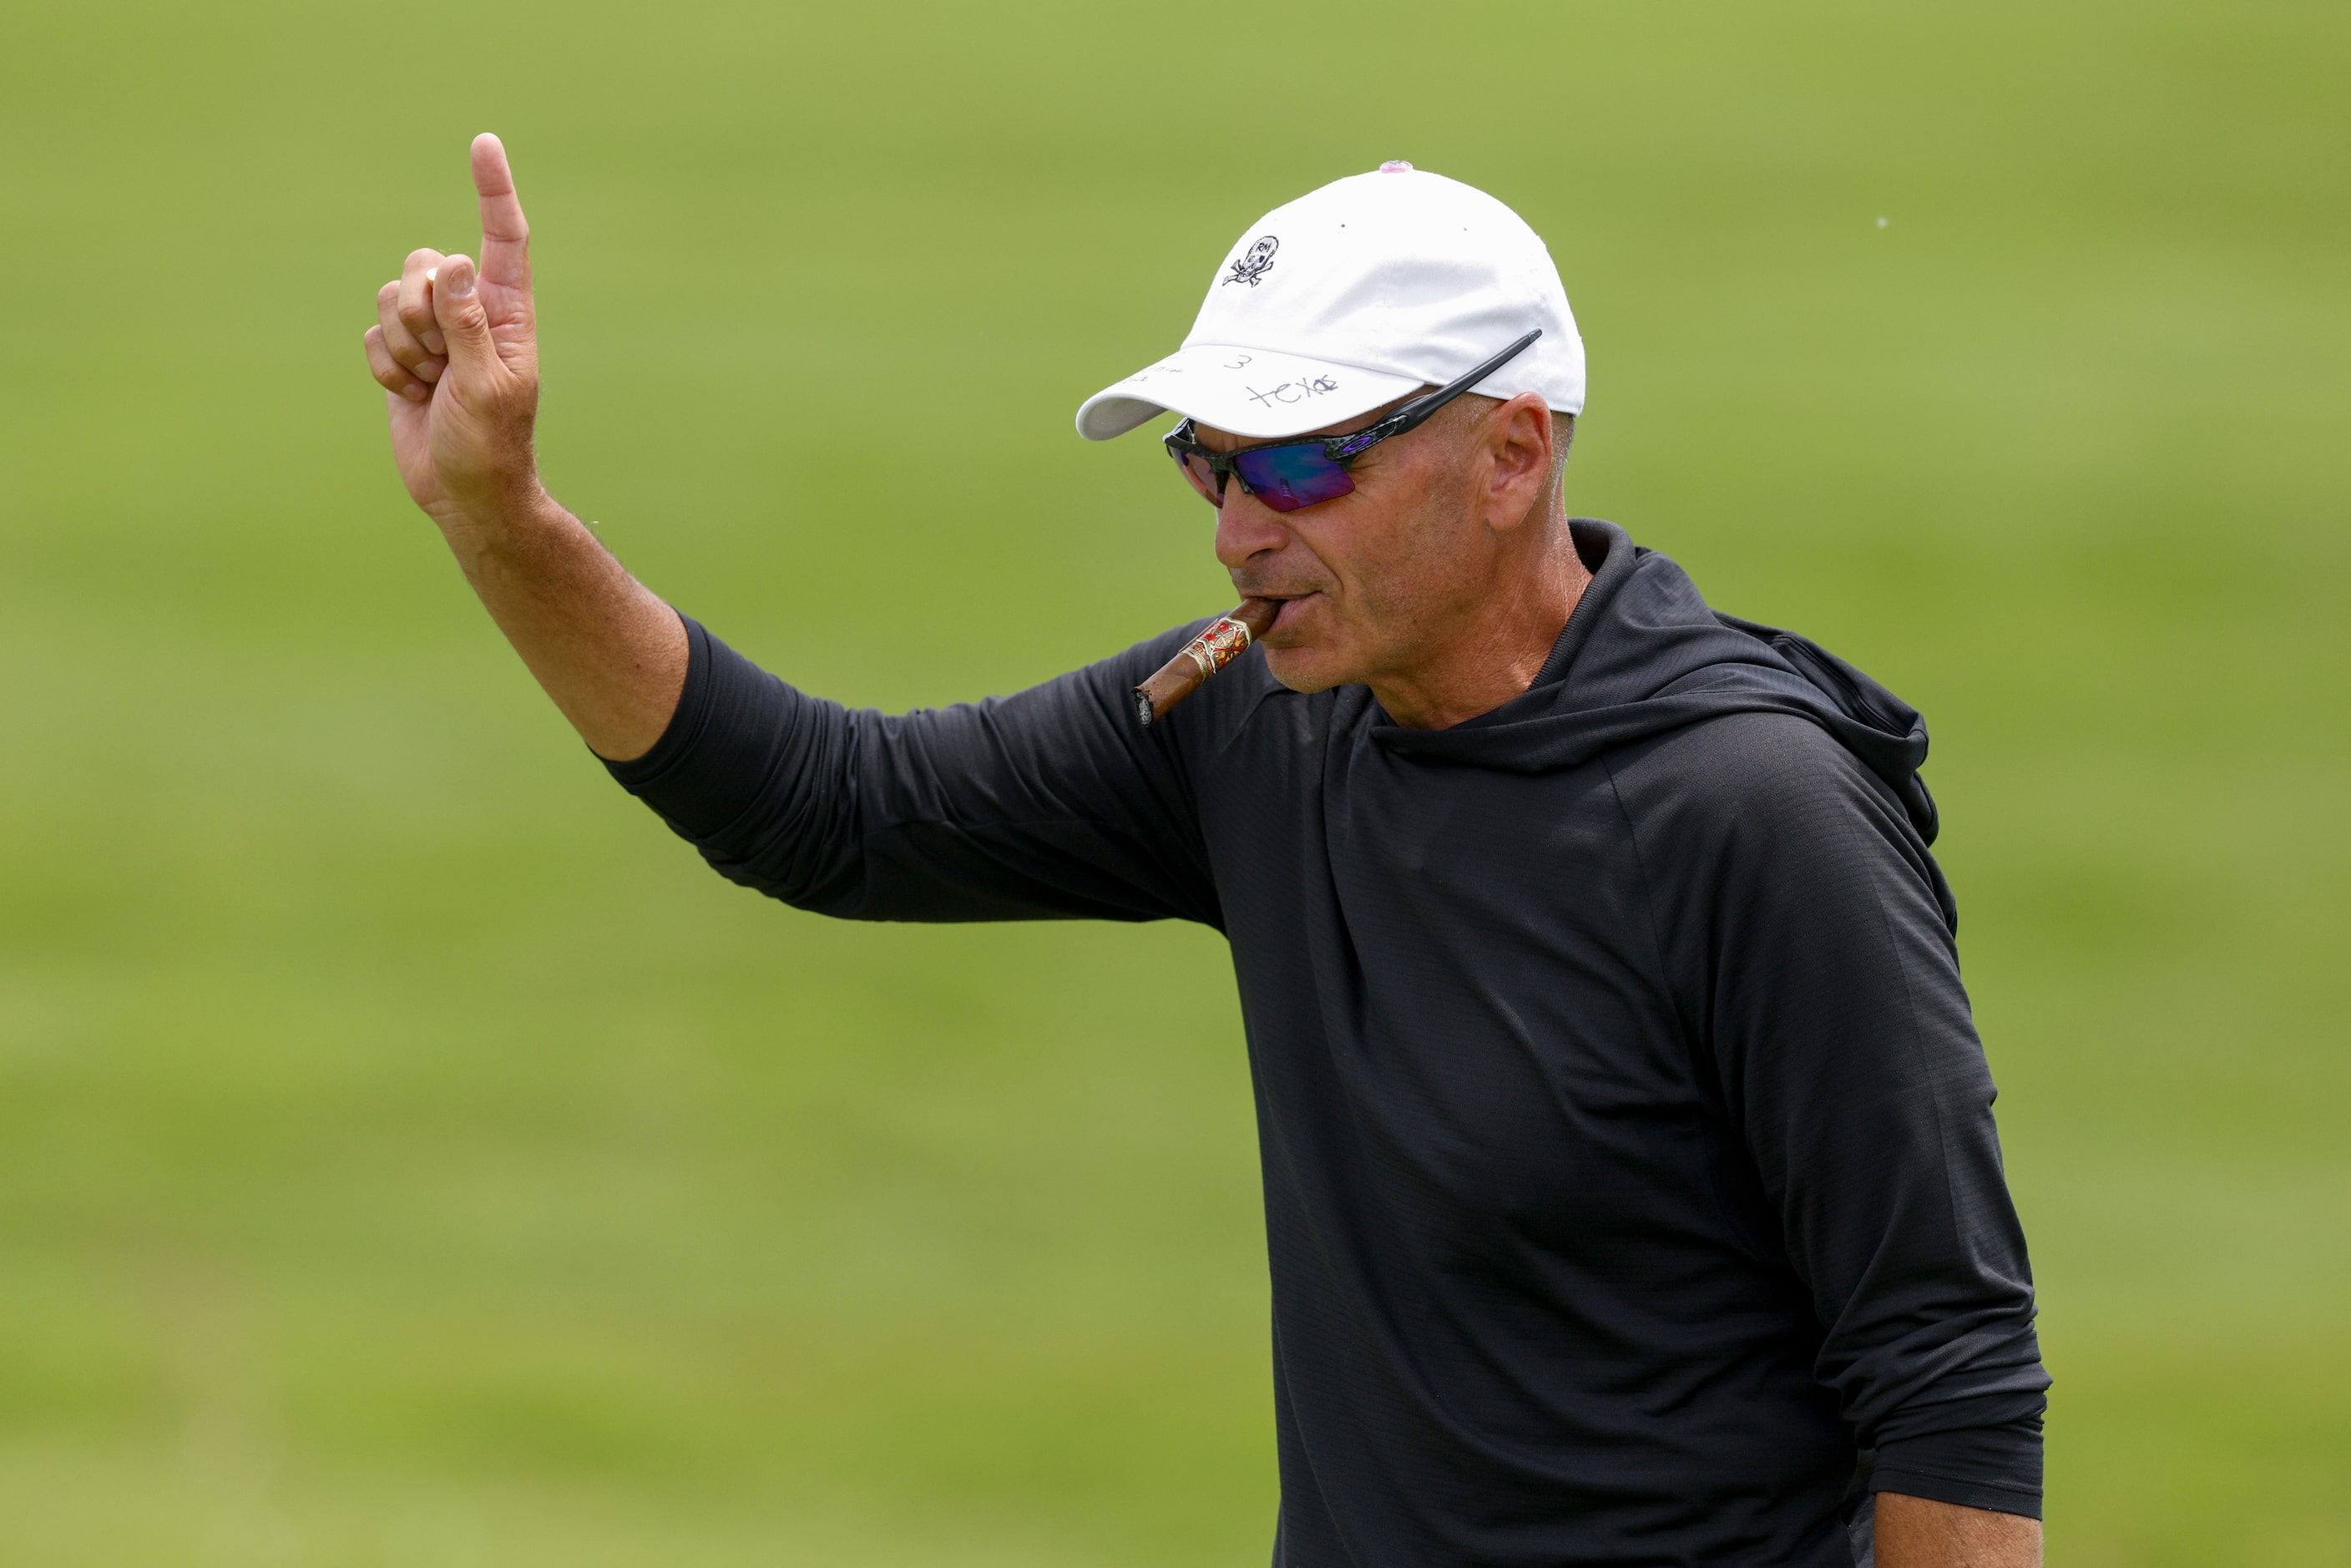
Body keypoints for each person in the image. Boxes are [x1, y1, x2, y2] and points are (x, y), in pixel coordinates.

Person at [361, 134, 2050, 1568]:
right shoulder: (1260, 719)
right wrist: (502, 522)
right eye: (1212, 461)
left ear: (1510, 454)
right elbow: (826, 809)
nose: (1244, 526)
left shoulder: (1753, 815)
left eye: (1306, 459)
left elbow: (1948, 1367)